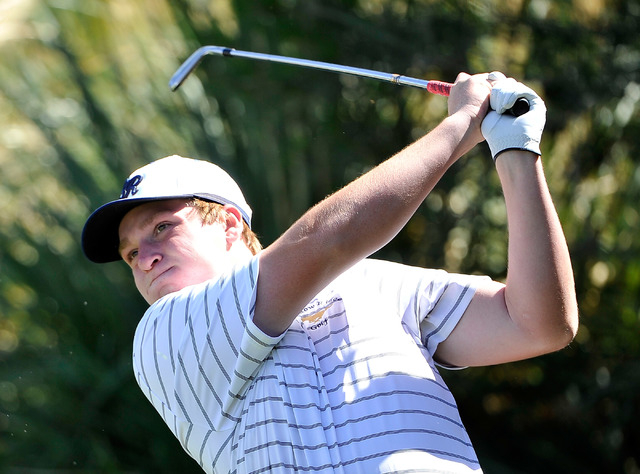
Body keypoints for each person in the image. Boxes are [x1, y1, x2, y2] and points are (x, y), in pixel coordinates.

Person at [81, 72, 579, 473]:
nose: (142, 258)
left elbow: (538, 323)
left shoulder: (376, 283)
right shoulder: (164, 334)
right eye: (129, 254)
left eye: (162, 229)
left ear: (230, 224)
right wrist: (461, 124)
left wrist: (514, 148)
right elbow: (327, 242)